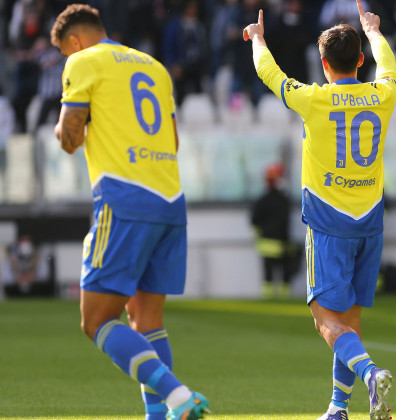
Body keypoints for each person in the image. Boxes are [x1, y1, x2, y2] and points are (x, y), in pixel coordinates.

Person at [50, 5, 209, 419]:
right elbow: (171, 140)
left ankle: (177, 396)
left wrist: (63, 128)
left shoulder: (82, 61)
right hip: (170, 200)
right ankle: (159, 416)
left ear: (75, 41)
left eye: (66, 52)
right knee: (147, 320)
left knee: (96, 320)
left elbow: (70, 136)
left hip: (123, 199)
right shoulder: (154, 67)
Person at [243, 1, 396, 419]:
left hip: (329, 222)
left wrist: (258, 39)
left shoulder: (314, 99)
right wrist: (374, 30)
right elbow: (387, 62)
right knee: (349, 319)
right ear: (359, 60)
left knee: (325, 320)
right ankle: (337, 408)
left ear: (323, 63)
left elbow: (269, 74)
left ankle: (368, 375)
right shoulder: (383, 94)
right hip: (371, 221)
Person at [250, 163, 292, 299]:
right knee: (285, 269)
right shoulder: (284, 201)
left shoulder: (262, 200)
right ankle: (283, 295)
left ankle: (268, 296)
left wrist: (260, 235)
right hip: (280, 242)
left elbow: (254, 221)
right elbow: (285, 224)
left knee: (268, 271)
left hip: (266, 242)